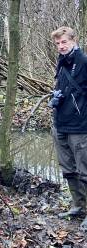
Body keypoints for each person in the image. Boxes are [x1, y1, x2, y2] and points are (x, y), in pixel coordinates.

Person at [50, 26, 87, 231]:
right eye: (57, 44)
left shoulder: (83, 61)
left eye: (64, 42)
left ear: (73, 40)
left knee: (85, 171)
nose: (61, 47)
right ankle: (78, 206)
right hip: (60, 123)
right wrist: (55, 97)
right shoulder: (62, 61)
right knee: (68, 170)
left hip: (80, 126)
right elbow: (64, 88)